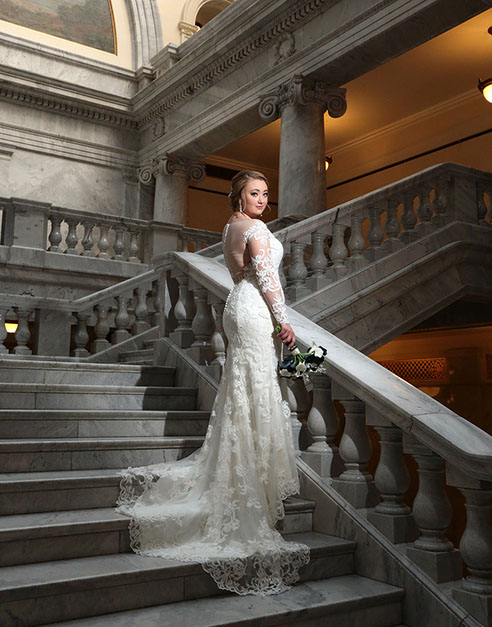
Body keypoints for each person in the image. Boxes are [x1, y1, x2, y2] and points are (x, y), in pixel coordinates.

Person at [116, 170, 310, 596]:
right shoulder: (253, 228)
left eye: (265, 193)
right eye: (254, 193)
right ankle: (251, 481)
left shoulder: (231, 227)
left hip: (238, 307)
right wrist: (285, 321)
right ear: (238, 196)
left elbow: (247, 273)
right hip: (255, 309)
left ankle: (249, 473)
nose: (262, 199)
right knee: (254, 388)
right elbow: (267, 277)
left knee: (245, 390)